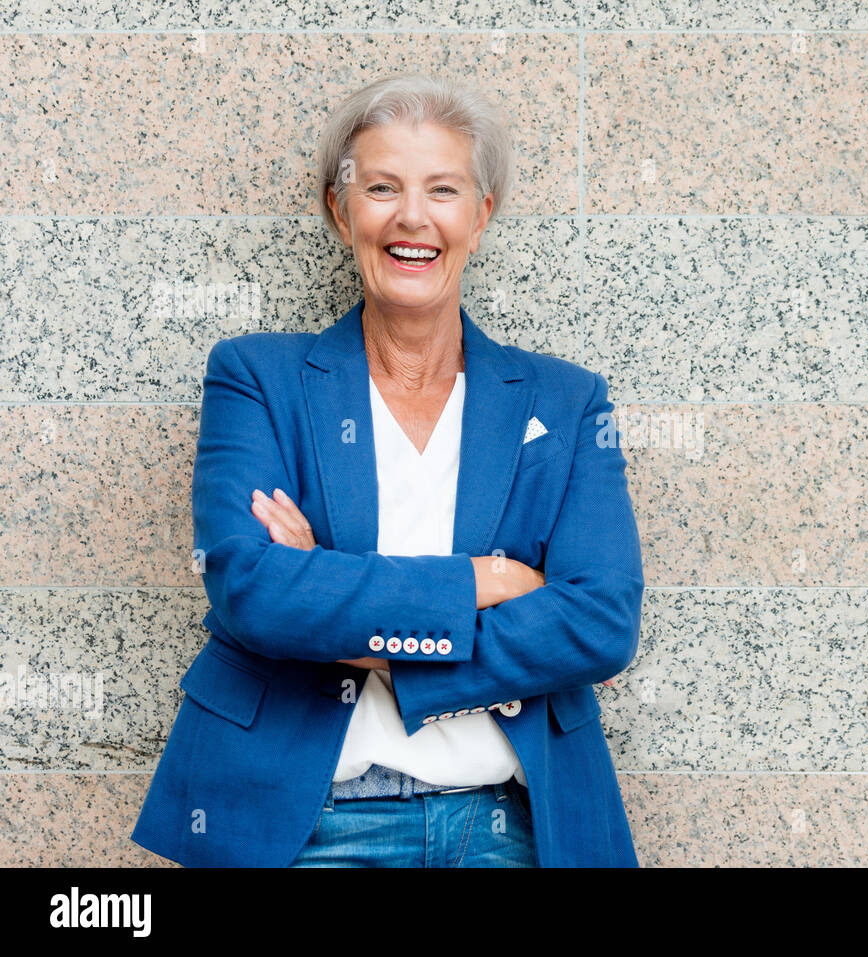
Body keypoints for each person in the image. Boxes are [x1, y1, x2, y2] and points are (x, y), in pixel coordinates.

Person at [130, 74, 644, 867]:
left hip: (508, 829)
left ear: (482, 213)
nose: (413, 217)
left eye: (443, 189)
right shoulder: (255, 378)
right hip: (307, 828)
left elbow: (601, 622)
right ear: (342, 212)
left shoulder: (570, 402)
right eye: (381, 187)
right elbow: (257, 593)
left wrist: (338, 599)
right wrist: (490, 578)